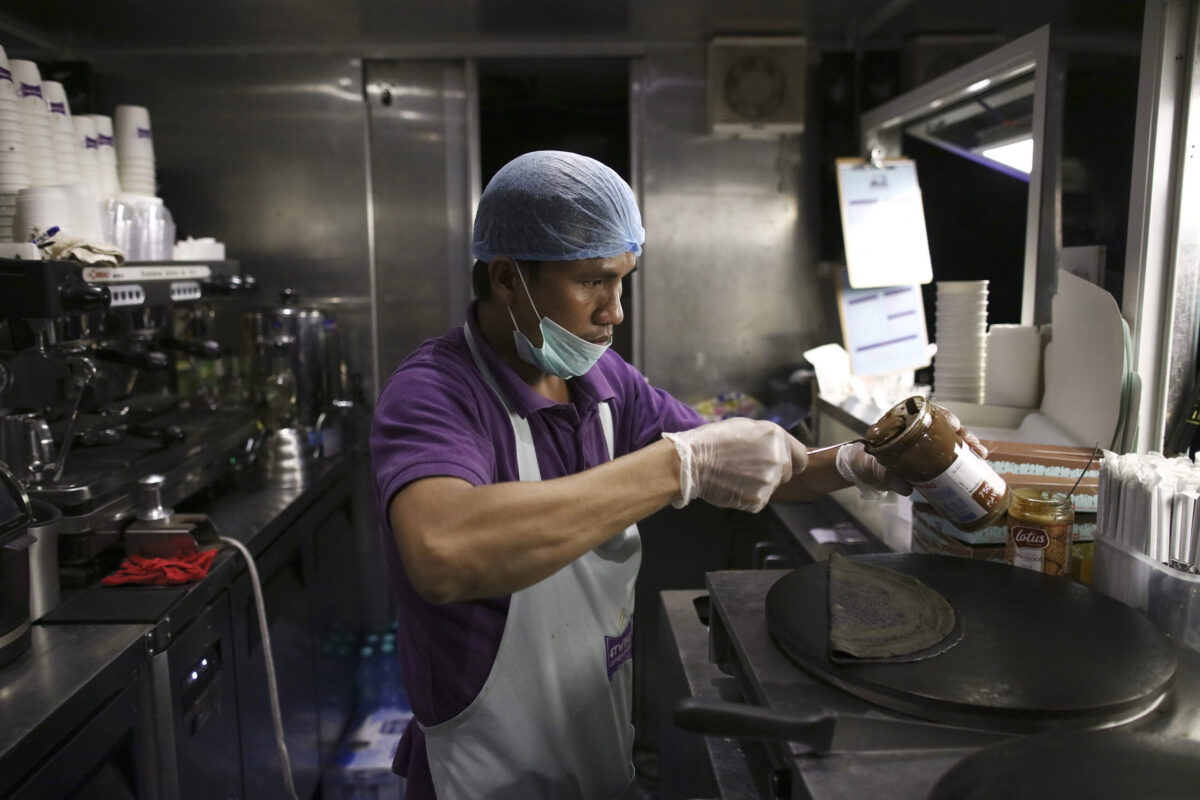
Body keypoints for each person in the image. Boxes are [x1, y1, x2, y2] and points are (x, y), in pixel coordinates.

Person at [369, 151, 978, 799]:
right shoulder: (436, 393)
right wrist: (676, 464)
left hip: (595, 748)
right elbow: (443, 554)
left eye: (623, 281)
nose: (615, 311)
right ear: (507, 278)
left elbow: (745, 462)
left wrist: (858, 462)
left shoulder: (604, 383)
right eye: (591, 282)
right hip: (486, 775)